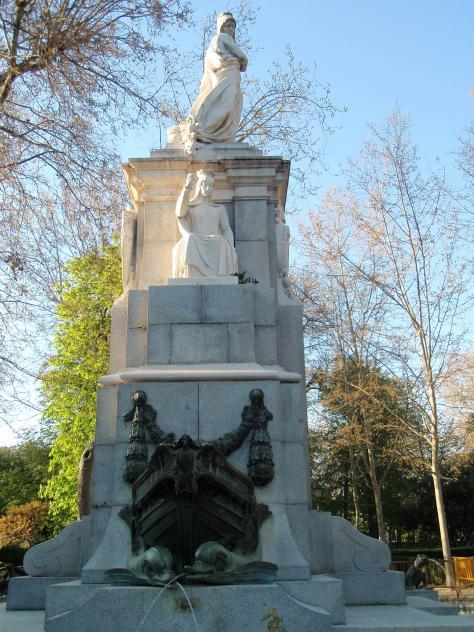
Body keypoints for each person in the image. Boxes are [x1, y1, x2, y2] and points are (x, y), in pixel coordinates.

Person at [188, 11, 247, 144]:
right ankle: (201, 131)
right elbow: (242, 56)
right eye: (228, 26)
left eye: (233, 27)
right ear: (221, 27)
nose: (231, 29)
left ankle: (205, 131)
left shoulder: (217, 42)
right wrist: (241, 61)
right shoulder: (222, 37)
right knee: (226, 106)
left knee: (228, 107)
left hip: (230, 77)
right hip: (227, 76)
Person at [172, 171, 238, 278]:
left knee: (220, 240)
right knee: (190, 238)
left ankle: (218, 276)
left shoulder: (219, 209)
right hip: (195, 239)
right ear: (199, 186)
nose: (208, 188)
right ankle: (191, 275)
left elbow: (226, 229)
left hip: (214, 240)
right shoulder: (191, 207)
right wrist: (187, 188)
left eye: (211, 186)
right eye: (205, 185)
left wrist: (232, 248)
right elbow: (179, 212)